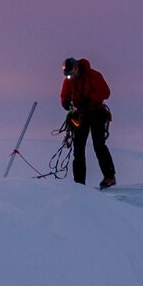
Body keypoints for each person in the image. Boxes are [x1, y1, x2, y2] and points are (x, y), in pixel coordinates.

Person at [60, 56, 116, 189]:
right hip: (81, 114)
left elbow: (105, 92)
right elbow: (64, 95)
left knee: (99, 145)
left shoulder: (94, 75)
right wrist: (66, 103)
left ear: (77, 67)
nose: (72, 77)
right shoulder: (69, 80)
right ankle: (79, 184)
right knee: (78, 149)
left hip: (96, 112)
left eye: (73, 74)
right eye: (69, 75)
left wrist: (90, 98)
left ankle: (109, 177)